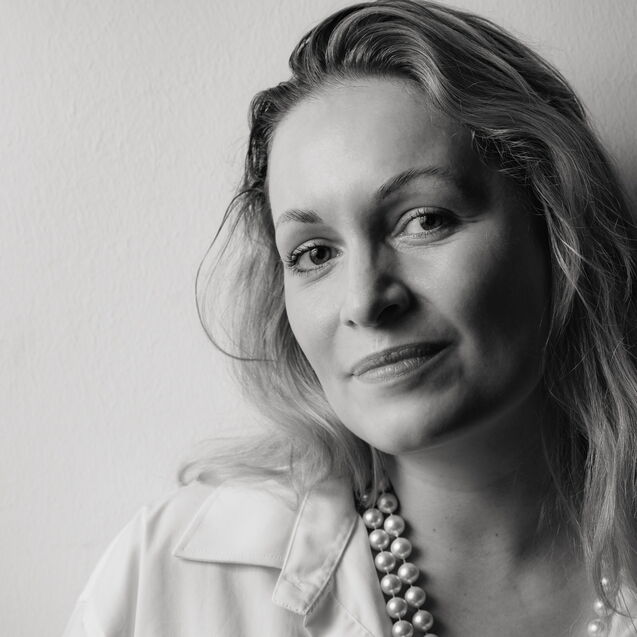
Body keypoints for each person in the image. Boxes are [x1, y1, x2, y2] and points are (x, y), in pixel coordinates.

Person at [63, 1, 637, 635]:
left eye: (424, 220)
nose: (365, 300)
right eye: (314, 254)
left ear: (556, 226)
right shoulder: (168, 583)